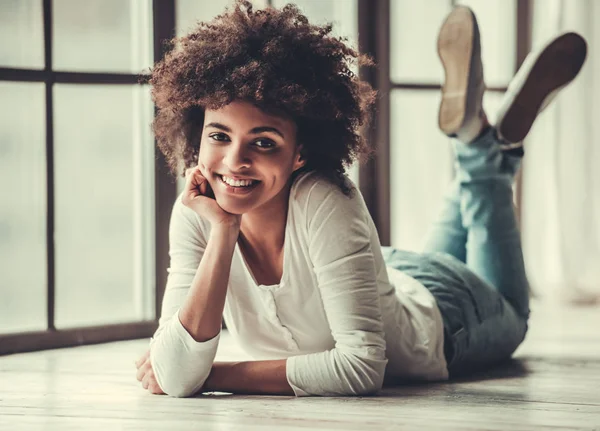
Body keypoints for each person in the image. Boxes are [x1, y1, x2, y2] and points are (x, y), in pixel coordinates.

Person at [134, 1, 587, 397]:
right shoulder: (200, 212)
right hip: (391, 275)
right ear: (198, 135)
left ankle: (483, 155)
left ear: (300, 152)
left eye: (264, 142)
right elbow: (174, 375)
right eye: (219, 136)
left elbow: (361, 367)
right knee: (459, 211)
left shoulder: (325, 199)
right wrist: (224, 229)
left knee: (514, 312)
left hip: (452, 318)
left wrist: (212, 376)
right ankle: (478, 148)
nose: (235, 161)